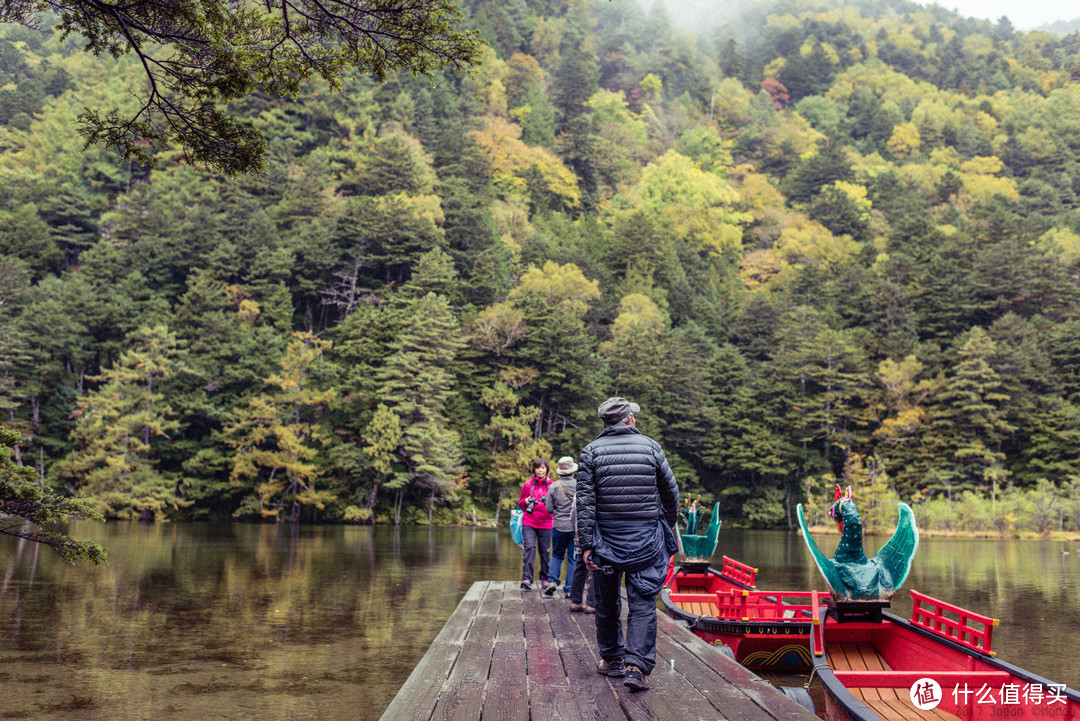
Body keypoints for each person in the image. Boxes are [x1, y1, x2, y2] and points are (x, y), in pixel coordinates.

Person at [576, 397, 679, 692]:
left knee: (607, 603)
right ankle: (636, 667)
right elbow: (670, 492)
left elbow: (585, 504)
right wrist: (667, 525)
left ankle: (612, 660)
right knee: (643, 603)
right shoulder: (651, 447)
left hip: (605, 542)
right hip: (646, 540)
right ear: (629, 420)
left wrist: (586, 544)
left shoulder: (590, 452)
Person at [542, 456, 577, 596]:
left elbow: (549, 509)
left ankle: (552, 582)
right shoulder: (579, 486)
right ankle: (570, 589)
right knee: (573, 558)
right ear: (573, 471)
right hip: (575, 528)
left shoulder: (553, 487)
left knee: (557, 555)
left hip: (558, 527)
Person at [518, 458, 554, 590]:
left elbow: (557, 504)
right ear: (534, 469)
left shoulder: (553, 485)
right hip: (529, 522)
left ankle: (545, 578)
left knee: (545, 551)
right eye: (538, 467)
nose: (540, 470)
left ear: (547, 469)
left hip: (547, 522)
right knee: (529, 549)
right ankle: (527, 579)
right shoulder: (528, 485)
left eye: (543, 467)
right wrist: (526, 501)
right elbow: (520, 504)